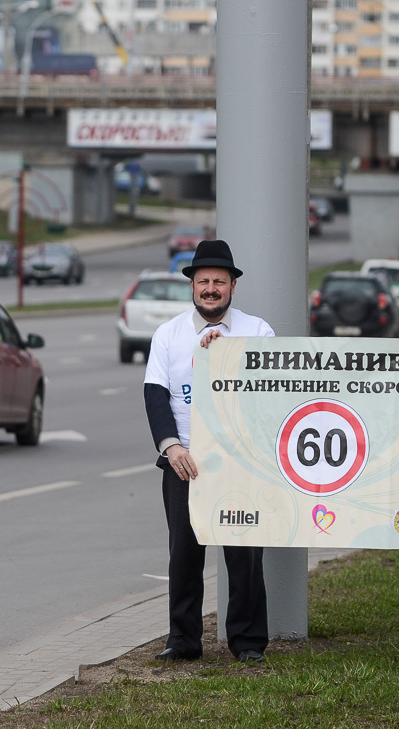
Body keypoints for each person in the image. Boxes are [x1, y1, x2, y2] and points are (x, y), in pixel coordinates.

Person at [143, 239, 273, 663]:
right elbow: (155, 395)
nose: (211, 289)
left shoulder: (258, 332)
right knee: (183, 553)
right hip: (186, 463)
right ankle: (183, 641)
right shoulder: (169, 334)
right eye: (204, 281)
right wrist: (171, 447)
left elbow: (270, 394)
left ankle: (248, 641)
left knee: (244, 554)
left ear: (233, 286)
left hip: (240, 466)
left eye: (220, 281)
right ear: (192, 287)